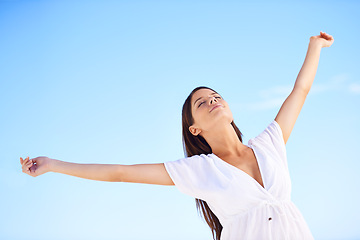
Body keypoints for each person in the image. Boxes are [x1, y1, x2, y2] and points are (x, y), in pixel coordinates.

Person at [21, 31, 334, 240]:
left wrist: (315, 46)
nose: (212, 101)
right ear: (194, 128)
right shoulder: (200, 170)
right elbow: (120, 173)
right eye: (202, 102)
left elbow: (300, 90)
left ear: (230, 109)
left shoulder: (269, 145)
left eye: (216, 96)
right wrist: (53, 164)